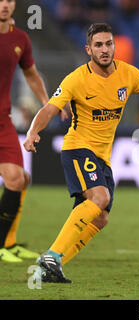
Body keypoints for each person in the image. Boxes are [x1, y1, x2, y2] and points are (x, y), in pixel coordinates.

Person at [23, 23, 139, 283]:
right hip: (78, 148)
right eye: (98, 45)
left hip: (102, 157)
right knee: (99, 196)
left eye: (108, 44)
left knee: (101, 219)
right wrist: (33, 132)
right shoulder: (76, 79)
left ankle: (52, 267)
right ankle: (52, 255)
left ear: (114, 46)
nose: (105, 49)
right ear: (89, 50)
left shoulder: (129, 74)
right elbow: (50, 109)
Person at [0, 0, 65, 263]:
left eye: (9, 0)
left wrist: (49, 104)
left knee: (20, 179)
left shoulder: (20, 39)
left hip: (3, 121)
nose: (4, 5)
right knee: (17, 179)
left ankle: (7, 242)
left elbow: (31, 74)